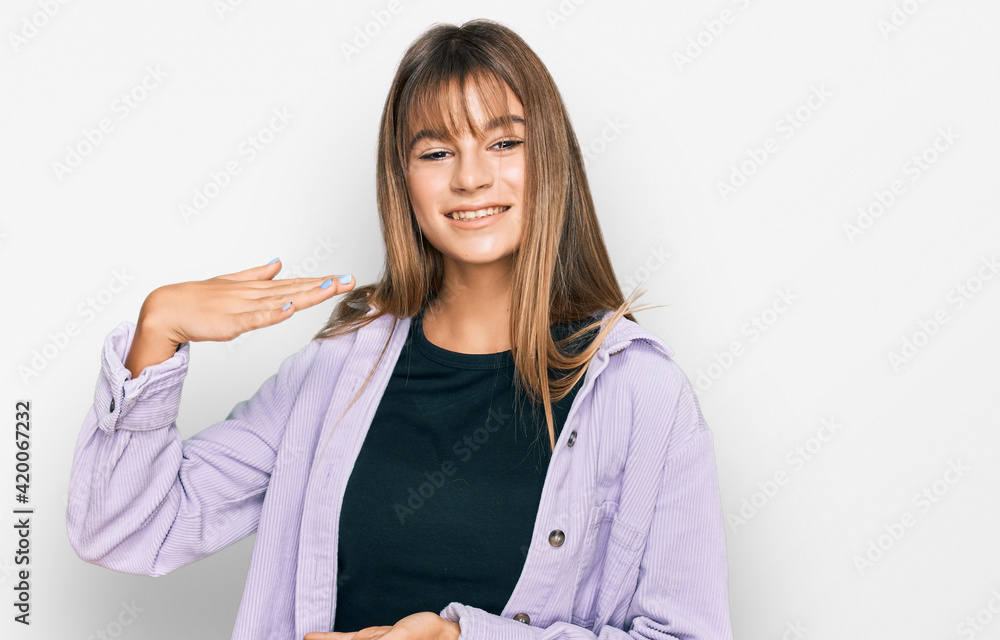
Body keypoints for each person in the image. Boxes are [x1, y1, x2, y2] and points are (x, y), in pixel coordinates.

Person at [66, 18, 733, 640]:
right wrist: (158, 336)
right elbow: (125, 531)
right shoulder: (334, 372)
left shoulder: (643, 394)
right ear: (403, 180)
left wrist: (463, 636)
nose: (471, 178)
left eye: (504, 143)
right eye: (437, 151)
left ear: (551, 160)